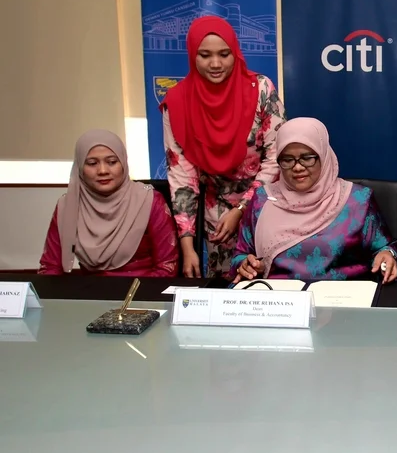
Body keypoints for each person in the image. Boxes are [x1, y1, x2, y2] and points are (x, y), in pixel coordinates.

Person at [161, 16, 285, 278]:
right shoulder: (177, 102)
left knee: (269, 286)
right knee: (226, 292)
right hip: (216, 215)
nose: (215, 64)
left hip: (267, 203)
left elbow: (276, 157)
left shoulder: (260, 89)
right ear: (193, 55)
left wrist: (241, 209)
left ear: (235, 53)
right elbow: (182, 178)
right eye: (205, 55)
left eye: (224, 54)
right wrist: (187, 246)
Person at [230, 117, 397, 283]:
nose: (297, 167)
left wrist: (387, 256)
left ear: (323, 155)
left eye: (307, 158)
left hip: (341, 303)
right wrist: (245, 264)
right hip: (280, 304)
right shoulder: (261, 200)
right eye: (287, 160)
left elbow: (384, 248)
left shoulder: (358, 201)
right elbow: (241, 254)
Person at [39, 130, 178, 276]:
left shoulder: (149, 201)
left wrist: (137, 296)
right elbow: (50, 267)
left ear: (123, 162)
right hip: (91, 295)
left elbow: (166, 267)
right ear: (80, 168)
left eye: (112, 162)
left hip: (141, 293)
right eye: (92, 163)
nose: (103, 170)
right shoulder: (67, 206)